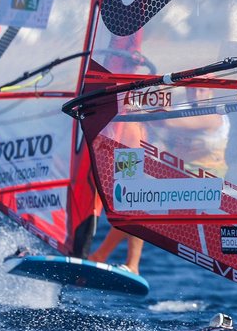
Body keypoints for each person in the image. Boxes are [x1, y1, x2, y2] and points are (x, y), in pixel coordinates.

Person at [88, 86, 229, 271]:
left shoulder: (213, 116)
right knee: (128, 192)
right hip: (176, 176)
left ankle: (125, 262)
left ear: (211, 90)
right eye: (192, 89)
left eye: (202, 89)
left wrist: (141, 105)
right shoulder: (183, 111)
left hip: (204, 184)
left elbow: (168, 123)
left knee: (135, 199)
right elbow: (162, 131)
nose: (196, 93)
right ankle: (98, 254)